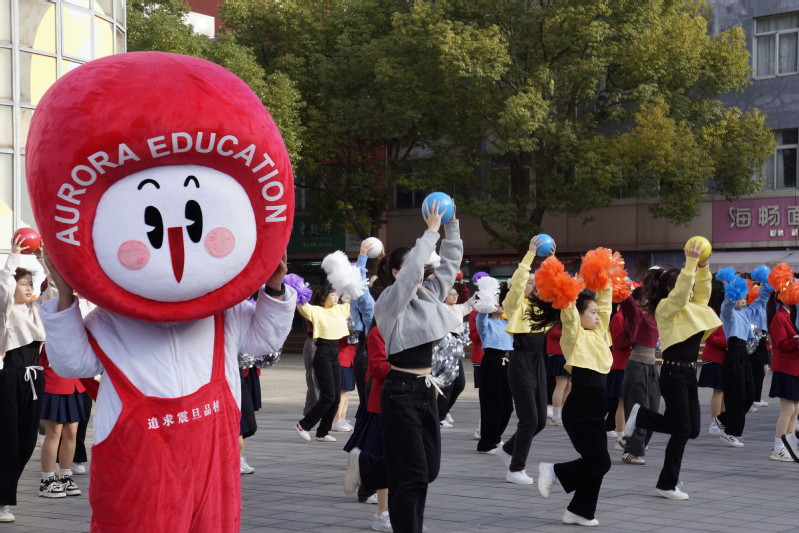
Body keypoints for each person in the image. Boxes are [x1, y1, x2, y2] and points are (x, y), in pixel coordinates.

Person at [40, 252, 295, 532]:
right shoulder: (109, 321)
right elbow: (70, 363)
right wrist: (64, 295)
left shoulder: (223, 311)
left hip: (210, 474)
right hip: (139, 474)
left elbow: (265, 339)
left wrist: (273, 287)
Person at [344, 199, 462, 533]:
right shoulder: (389, 301)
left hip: (426, 392)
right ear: (396, 273)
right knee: (413, 476)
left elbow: (450, 263)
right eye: (412, 262)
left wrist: (452, 226)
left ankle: (373, 466)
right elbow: (411, 276)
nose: (421, 265)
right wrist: (429, 233)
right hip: (400, 393)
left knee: (428, 471)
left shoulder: (430, 295)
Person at [623, 240, 721, 500]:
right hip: (673, 373)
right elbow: (681, 294)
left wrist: (702, 266)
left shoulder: (692, 306)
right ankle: (667, 484)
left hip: (688, 374)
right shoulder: (667, 307)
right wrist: (689, 263)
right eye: (681, 286)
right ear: (670, 287)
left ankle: (641, 416)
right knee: (680, 430)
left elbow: (702, 291)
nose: (688, 291)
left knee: (691, 430)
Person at [536, 281, 613, 527]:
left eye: (597, 312)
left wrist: (605, 279)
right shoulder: (574, 334)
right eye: (592, 312)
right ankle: (553, 470)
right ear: (579, 314)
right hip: (580, 408)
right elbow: (568, 314)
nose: (598, 316)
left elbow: (607, 305)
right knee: (600, 462)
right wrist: (566, 289)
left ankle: (579, 511)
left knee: (596, 463)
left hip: (596, 407)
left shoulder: (600, 334)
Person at [0, 236, 55, 523]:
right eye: (23, 284)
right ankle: (3, 502)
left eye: (29, 284)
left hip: (34, 378)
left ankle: (3, 490)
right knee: (7, 440)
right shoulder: (6, 312)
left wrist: (43, 258)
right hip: (9, 377)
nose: (28, 288)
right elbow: (3, 288)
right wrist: (13, 256)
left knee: (26, 442)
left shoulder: (35, 310)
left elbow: (54, 291)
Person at [497, 236, 552, 484]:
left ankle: (507, 449)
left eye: (535, 282)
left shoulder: (543, 308)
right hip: (519, 361)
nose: (532, 285)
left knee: (540, 421)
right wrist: (530, 257)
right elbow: (518, 284)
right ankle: (515, 469)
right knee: (528, 419)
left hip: (539, 362)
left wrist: (551, 260)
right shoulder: (514, 305)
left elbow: (561, 292)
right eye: (530, 282)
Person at [344, 324, 392, 532]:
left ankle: (361, 455)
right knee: (385, 458)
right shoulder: (379, 331)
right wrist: (408, 369)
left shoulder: (415, 326)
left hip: (411, 401)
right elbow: (379, 366)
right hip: (385, 398)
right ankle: (382, 513)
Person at [716, 272, 771, 447]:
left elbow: (761, 301)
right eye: (739, 298)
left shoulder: (747, 312)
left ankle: (722, 419)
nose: (742, 301)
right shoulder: (728, 312)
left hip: (744, 354)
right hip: (733, 352)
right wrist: (733, 289)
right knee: (736, 394)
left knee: (749, 395)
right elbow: (728, 303)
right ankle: (731, 432)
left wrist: (766, 284)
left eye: (744, 298)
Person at [618, 271, 663, 465]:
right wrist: (618, 281)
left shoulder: (660, 311)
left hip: (652, 367)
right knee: (638, 408)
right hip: (637, 366)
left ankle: (634, 443)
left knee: (653, 409)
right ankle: (632, 450)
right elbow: (626, 300)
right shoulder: (637, 312)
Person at [296, 285, 351, 442]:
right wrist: (297, 288)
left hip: (335, 353)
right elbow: (302, 305)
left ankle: (323, 431)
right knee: (328, 396)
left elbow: (350, 299)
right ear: (322, 298)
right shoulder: (316, 311)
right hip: (322, 353)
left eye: (336, 295)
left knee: (336, 398)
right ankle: (304, 425)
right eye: (331, 295)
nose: (335, 297)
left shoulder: (340, 309)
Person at [475, 300, 517, 480]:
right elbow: (481, 319)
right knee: (492, 404)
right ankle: (486, 442)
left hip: (508, 362)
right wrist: (486, 302)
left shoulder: (506, 322)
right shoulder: (486, 323)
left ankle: (495, 436)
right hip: (492, 360)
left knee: (508, 406)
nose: (501, 306)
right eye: (498, 304)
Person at [38, 345, 86, 498]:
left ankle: (65, 475)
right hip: (54, 383)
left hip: (75, 383)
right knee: (54, 433)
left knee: (72, 432)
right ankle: (47, 480)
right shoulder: (49, 329)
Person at [766, 297, 799, 462]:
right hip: (786, 368)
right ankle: (778, 448)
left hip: (795, 367)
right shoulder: (779, 317)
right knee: (788, 410)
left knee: (796, 410)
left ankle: (789, 445)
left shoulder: (792, 314)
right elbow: (780, 345)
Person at [437, 286, 472, 428]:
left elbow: (470, 303)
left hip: (456, 344)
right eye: (450, 294)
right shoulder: (440, 307)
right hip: (445, 344)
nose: (454, 296)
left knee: (460, 383)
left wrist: (464, 285)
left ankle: (444, 411)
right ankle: (439, 416)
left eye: (455, 294)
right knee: (448, 383)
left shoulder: (458, 308)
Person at [699, 280, 726, 435]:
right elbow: (710, 338)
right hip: (715, 357)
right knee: (719, 390)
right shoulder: (712, 312)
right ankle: (714, 421)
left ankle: (721, 420)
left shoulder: (723, 311)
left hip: (723, 357)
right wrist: (728, 342)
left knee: (724, 390)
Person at [606, 304, 631, 439]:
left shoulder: (629, 317)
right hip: (620, 365)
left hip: (629, 365)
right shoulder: (619, 318)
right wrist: (634, 337)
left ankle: (618, 431)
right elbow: (618, 342)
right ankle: (620, 436)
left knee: (624, 403)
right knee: (620, 403)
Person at [545, 323, 570, 426]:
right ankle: (556, 416)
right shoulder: (556, 315)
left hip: (569, 352)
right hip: (558, 352)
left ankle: (562, 414)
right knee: (561, 383)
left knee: (569, 384)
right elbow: (551, 332)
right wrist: (570, 332)